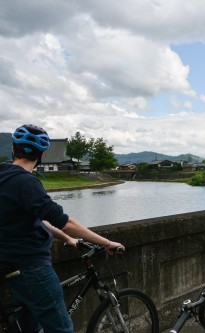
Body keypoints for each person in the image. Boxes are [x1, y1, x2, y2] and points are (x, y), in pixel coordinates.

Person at [0, 124, 125, 333]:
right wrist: (107, 243)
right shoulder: (26, 183)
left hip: (14, 270)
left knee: (28, 328)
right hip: (33, 268)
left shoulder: (4, 175)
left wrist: (66, 239)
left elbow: (36, 220)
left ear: (13, 149)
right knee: (61, 329)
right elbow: (65, 222)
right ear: (41, 155)